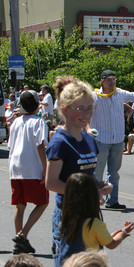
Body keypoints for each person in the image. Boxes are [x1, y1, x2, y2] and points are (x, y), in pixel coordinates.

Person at [45, 80, 110, 264]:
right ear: (65, 109)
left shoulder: (89, 139)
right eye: (79, 108)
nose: (86, 114)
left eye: (89, 108)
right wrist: (89, 192)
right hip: (68, 215)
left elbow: (87, 176)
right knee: (69, 263)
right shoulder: (59, 142)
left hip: (89, 213)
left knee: (90, 262)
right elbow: (51, 183)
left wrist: (100, 185)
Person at [88, 69, 134, 210]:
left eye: (114, 79)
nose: (112, 82)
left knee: (114, 173)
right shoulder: (94, 96)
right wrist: (88, 131)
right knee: (98, 173)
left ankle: (112, 201)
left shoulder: (119, 93)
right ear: (102, 81)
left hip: (117, 139)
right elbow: (87, 114)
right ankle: (94, 201)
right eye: (109, 79)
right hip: (101, 139)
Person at [57, 173, 134, 266]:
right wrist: (123, 233)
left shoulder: (67, 219)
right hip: (87, 263)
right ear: (92, 197)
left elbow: (97, 238)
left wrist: (115, 233)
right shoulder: (94, 224)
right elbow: (111, 244)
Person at [8, 90, 49, 254]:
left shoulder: (16, 122)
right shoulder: (38, 122)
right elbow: (40, 145)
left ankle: (19, 242)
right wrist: (45, 170)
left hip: (15, 167)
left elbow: (11, 146)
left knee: (20, 204)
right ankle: (22, 235)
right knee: (43, 202)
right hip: (32, 167)